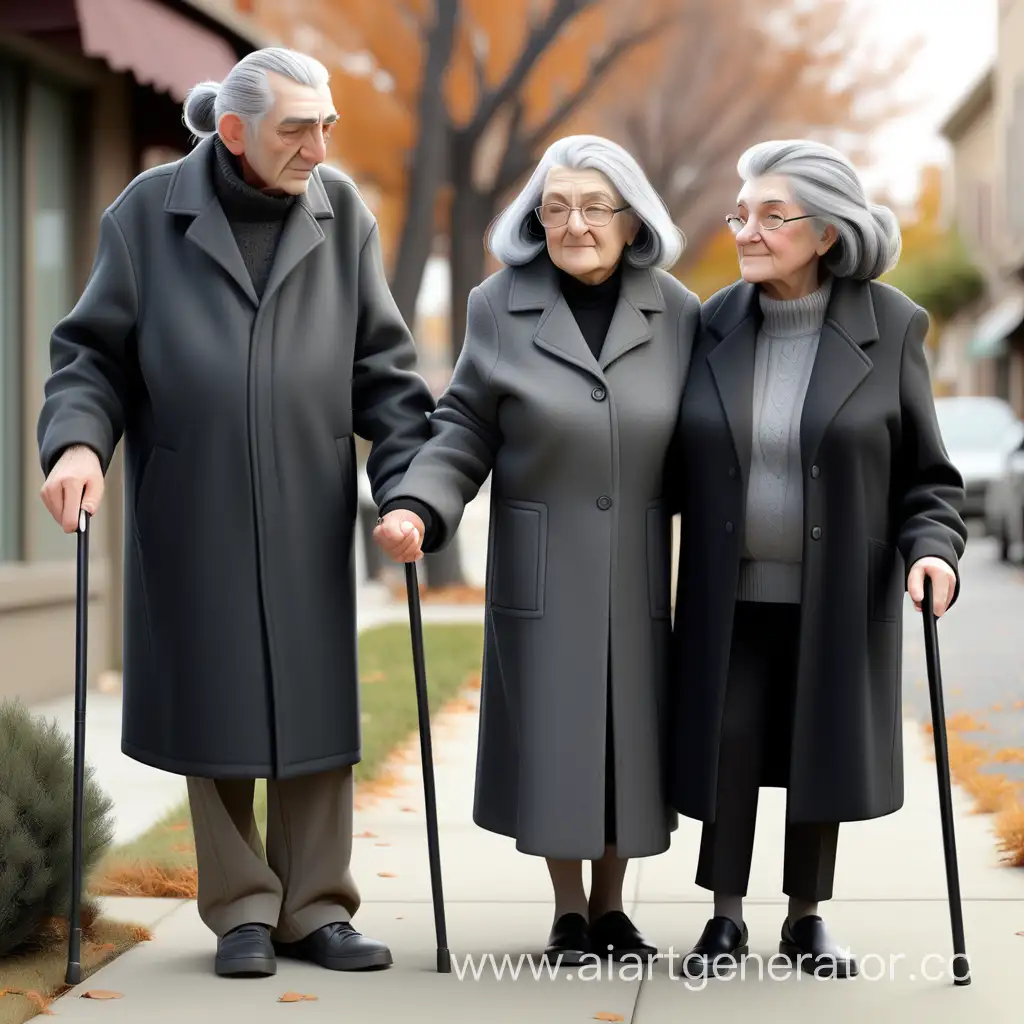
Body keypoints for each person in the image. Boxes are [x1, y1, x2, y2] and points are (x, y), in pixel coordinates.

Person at [36, 48, 437, 979]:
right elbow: (92, 357)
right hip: (193, 502)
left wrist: (412, 489)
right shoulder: (148, 213)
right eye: (299, 127)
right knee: (213, 701)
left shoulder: (343, 219)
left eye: (327, 123)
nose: (319, 143)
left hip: (307, 502)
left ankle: (318, 908)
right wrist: (79, 445)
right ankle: (244, 909)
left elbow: (384, 373)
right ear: (234, 132)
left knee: (312, 704)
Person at [373, 135, 700, 965]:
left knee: (629, 739)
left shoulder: (680, 313)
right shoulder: (496, 304)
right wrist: (418, 504)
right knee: (557, 740)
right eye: (555, 209)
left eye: (594, 207)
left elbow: (712, 442)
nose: (574, 224)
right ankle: (566, 911)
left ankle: (613, 906)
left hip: (637, 567)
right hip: (542, 565)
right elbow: (464, 427)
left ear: (632, 222)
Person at [666, 139, 968, 980]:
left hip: (838, 592)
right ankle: (723, 919)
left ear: (827, 233)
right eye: (742, 214)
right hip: (731, 592)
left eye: (773, 215)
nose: (748, 231)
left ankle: (806, 919)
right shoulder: (712, 320)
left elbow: (927, 477)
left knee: (815, 747)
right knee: (728, 743)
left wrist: (934, 551)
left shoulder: (895, 325)